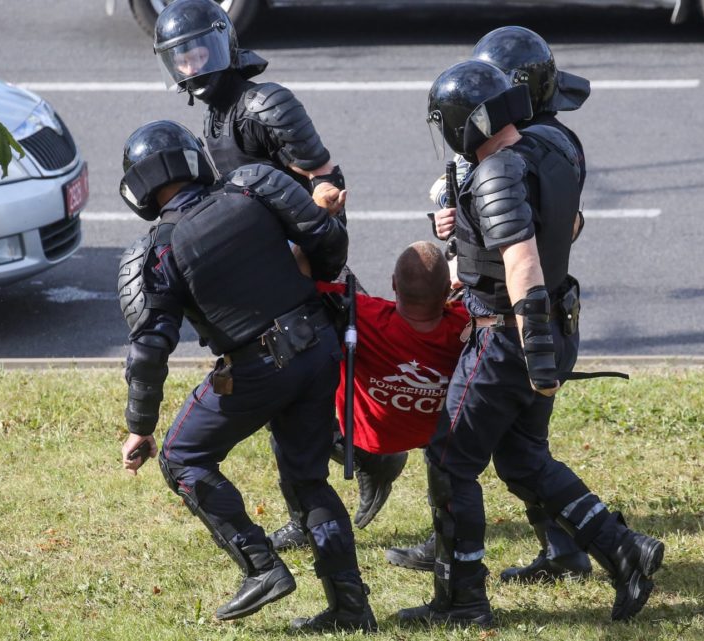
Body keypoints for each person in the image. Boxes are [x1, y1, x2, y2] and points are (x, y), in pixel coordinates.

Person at [397, 60, 663, 628]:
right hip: (554, 325)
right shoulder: (552, 149)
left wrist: (532, 351)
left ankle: (462, 600)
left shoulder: (497, 171)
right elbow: (565, 228)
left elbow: (520, 261)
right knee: (522, 460)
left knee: (450, 460)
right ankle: (623, 550)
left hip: (509, 337)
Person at [115, 120, 375, 632]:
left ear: (139, 187)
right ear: (192, 159)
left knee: (182, 457)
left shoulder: (156, 251)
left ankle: (261, 567)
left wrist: (139, 426)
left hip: (258, 370)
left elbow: (149, 350)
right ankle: (351, 610)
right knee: (308, 483)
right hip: (319, 347)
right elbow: (328, 244)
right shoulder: (255, 184)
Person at [391, 25, 593, 585]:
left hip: (517, 318)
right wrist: (455, 223)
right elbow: (560, 223)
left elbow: (552, 233)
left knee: (463, 451)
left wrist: (481, 247)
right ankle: (571, 549)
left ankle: (458, 565)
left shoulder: (530, 150)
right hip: (541, 309)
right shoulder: (542, 143)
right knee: (522, 449)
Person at [266, 241, 471, 550]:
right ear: (447, 291)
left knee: (284, 417)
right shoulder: (465, 322)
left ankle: (304, 520)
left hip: (371, 435)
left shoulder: (364, 317)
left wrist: (316, 219)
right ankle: (443, 531)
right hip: (438, 434)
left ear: (393, 284)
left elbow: (297, 276)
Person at [153, 0, 346, 209]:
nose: (191, 70)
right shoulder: (213, 118)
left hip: (298, 232)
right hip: (253, 234)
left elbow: (323, 174)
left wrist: (318, 212)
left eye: (200, 56)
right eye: (183, 62)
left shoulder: (267, 105)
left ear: (221, 47)